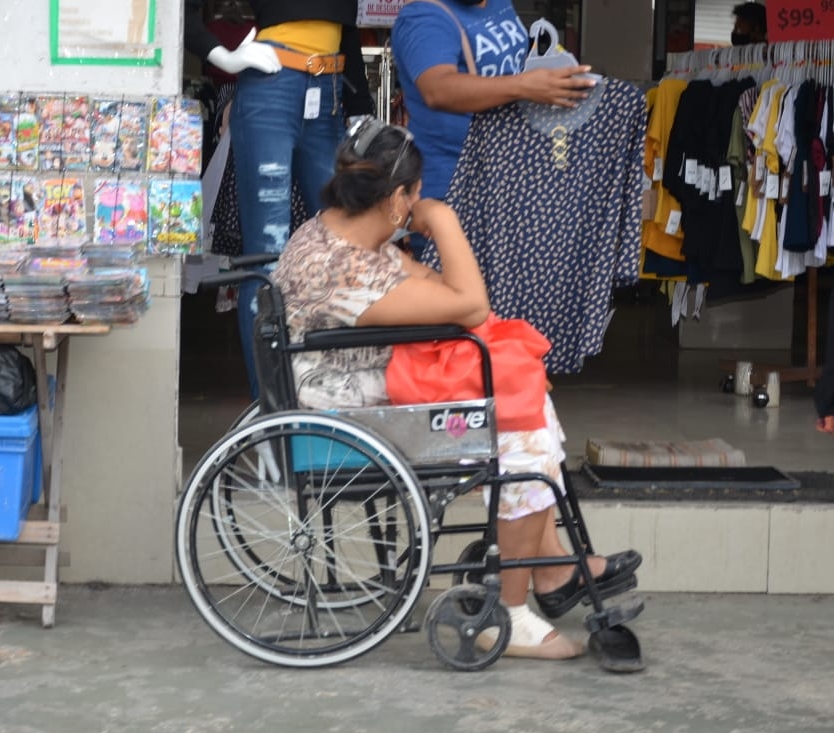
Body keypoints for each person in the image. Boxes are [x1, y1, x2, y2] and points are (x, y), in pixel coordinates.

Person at [270, 120, 640, 660]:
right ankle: (508, 616)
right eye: (416, 193)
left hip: (366, 379)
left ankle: (553, 566)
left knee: (523, 395)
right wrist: (442, 219)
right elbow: (470, 307)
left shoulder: (342, 234)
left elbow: (443, 292)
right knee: (518, 434)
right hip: (347, 408)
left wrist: (422, 237)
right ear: (399, 198)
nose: (422, 201)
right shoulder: (345, 269)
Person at [184, 1, 375, 399]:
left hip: (331, 91)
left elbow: (345, 25)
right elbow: (178, 12)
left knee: (342, 251)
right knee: (268, 256)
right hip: (272, 84)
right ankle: (272, 408)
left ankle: (326, 396)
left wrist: (361, 113)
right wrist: (224, 57)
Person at [390, 0, 598, 204]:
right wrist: (523, 86)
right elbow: (438, 89)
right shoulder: (423, 16)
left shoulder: (498, 3)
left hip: (507, 178)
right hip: (453, 187)